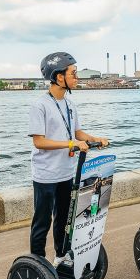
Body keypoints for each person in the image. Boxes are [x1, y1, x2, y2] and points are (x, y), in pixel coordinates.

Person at [29, 52, 110, 266]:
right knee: (42, 221)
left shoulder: (70, 104)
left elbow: (77, 132)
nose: (77, 77)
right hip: (46, 174)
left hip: (67, 171)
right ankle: (37, 264)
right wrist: (70, 144)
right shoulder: (40, 105)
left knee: (65, 218)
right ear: (58, 77)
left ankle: (61, 255)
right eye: (73, 73)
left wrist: (95, 139)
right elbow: (39, 141)